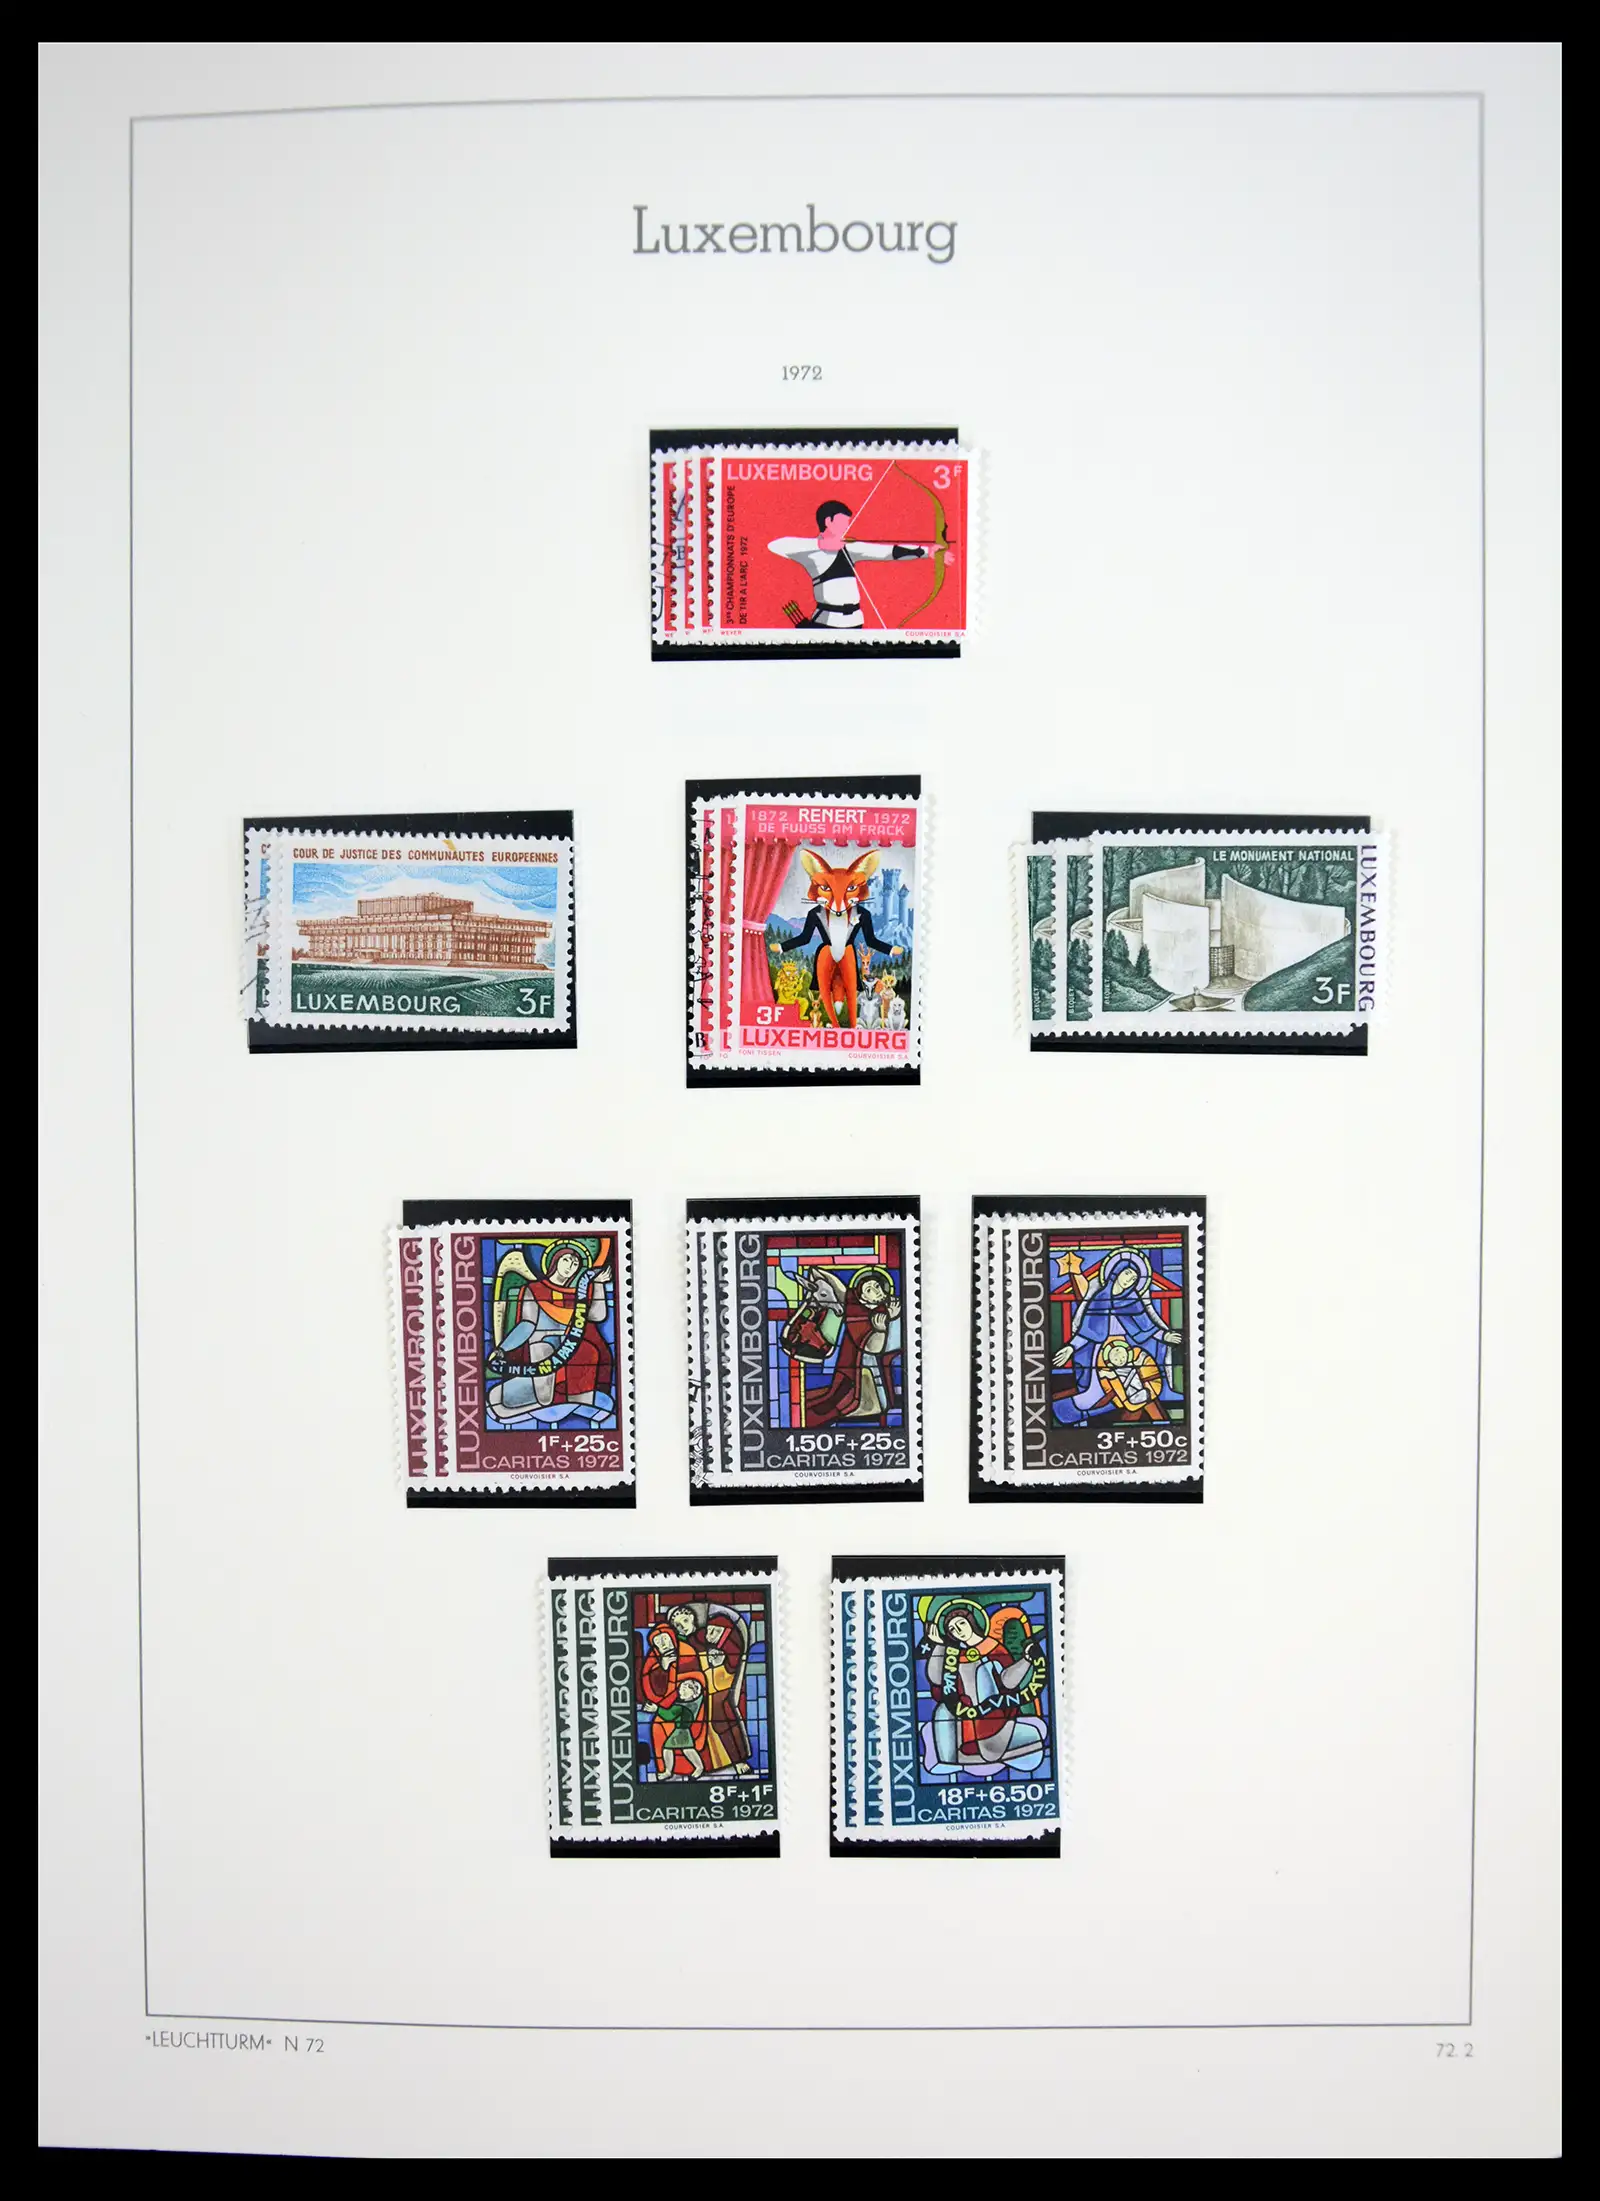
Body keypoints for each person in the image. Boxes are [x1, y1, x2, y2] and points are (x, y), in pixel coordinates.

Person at [767, 499, 954, 630]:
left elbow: (889, 552)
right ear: (828, 521)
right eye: (843, 523)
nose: (847, 528)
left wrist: (927, 552)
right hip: (826, 623)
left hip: (855, 623)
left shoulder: (851, 547)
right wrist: (822, 545)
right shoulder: (812, 552)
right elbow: (775, 545)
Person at [485, 1239, 612, 1426]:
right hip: (542, 1347)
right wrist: (503, 1349)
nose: (570, 1266)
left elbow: (597, 1316)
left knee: (588, 1352)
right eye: (566, 1260)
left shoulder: (579, 1293)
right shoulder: (534, 1290)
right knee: (544, 1354)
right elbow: (527, 1325)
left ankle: (577, 1405)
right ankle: (540, 1400)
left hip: (572, 1349)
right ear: (555, 1260)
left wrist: (598, 1284)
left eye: (575, 1263)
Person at [1051, 1246, 1180, 1426]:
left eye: (1134, 1279)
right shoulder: (1098, 1300)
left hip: (1127, 1349)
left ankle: (1149, 1413)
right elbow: (1087, 1332)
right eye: (1127, 1274)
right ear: (1116, 1273)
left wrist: (1164, 1336)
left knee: (1136, 1378)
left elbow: (1146, 1327)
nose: (1129, 1280)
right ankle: (1066, 1410)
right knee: (1095, 1394)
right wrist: (1070, 1347)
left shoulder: (1133, 1301)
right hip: (1101, 1350)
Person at [919, 1599, 1049, 1776]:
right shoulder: (954, 1655)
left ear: (971, 1622)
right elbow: (936, 1678)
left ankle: (1016, 1744)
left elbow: (1008, 1682)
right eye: (952, 1629)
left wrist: (1027, 1660)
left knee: (983, 1676)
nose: (958, 1630)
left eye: (961, 1623)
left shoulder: (993, 1647)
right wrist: (939, 1645)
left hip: (992, 1710)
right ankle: (960, 1757)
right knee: (944, 1712)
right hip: (963, 1713)